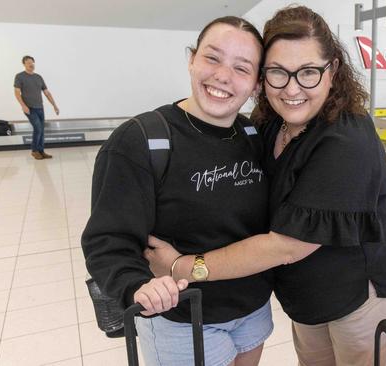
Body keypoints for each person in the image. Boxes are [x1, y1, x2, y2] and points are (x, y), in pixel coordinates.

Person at [145, 6, 386, 366]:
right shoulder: (270, 123)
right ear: (261, 76)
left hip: (360, 293)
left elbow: (287, 246)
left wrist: (182, 266)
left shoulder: (345, 138)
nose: (291, 89)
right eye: (277, 73)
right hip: (308, 295)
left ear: (332, 70)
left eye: (307, 73)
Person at [81, 17, 274, 366]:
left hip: (253, 308)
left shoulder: (252, 137)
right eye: (212, 58)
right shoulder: (141, 140)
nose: (223, 76)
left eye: (242, 68)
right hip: (183, 317)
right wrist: (136, 285)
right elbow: (106, 240)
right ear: (192, 59)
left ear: (257, 84)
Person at [14, 55, 60, 160]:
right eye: (28, 62)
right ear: (24, 64)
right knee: (38, 128)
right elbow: (17, 93)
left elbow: (47, 93)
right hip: (29, 108)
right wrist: (23, 106)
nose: (31, 64)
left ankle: (41, 151)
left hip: (40, 107)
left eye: (32, 62)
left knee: (41, 130)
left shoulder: (38, 77)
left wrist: (54, 105)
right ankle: (34, 151)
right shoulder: (20, 76)